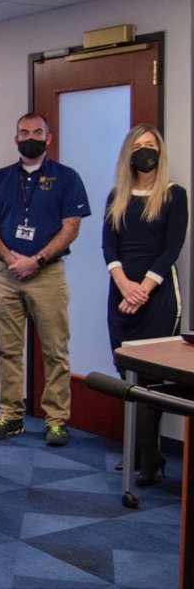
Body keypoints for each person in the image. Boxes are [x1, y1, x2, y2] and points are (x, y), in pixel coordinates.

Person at [0, 112, 91, 447]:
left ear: (48, 138)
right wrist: (12, 258)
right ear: (15, 139)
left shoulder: (67, 178)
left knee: (55, 349)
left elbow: (71, 227)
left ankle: (56, 421)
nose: (30, 137)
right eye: (23, 132)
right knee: (8, 350)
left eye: (37, 132)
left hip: (48, 274)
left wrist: (37, 259)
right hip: (6, 273)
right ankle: (10, 416)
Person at [103, 123, 187, 486]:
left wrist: (142, 291)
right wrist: (124, 285)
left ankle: (151, 459)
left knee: (151, 379)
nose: (144, 150)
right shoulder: (116, 196)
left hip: (159, 297)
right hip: (120, 294)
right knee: (128, 375)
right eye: (138, 145)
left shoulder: (174, 195)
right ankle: (138, 453)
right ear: (128, 153)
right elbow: (109, 247)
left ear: (160, 151)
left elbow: (172, 248)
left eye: (150, 145)